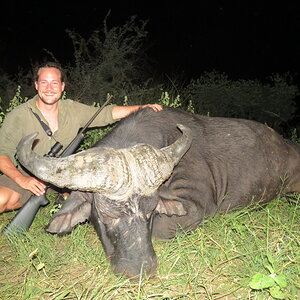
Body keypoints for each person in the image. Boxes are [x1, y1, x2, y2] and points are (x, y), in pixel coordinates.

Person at [0, 62, 163, 213]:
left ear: (62, 86)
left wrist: (141, 108)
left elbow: (107, 114)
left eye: (54, 83)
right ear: (36, 85)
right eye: (44, 82)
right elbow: (2, 154)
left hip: (67, 171)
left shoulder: (72, 109)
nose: (49, 88)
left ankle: (64, 196)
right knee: (3, 199)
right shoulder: (19, 115)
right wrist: (22, 180)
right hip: (32, 173)